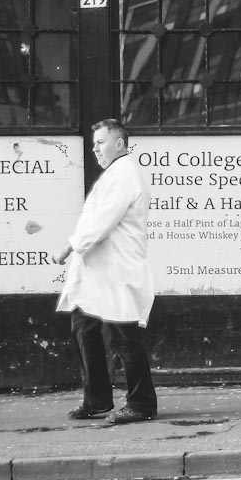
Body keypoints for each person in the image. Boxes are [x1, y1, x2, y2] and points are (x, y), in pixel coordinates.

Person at [53, 118, 157, 424]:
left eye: (100, 142)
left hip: (116, 269)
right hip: (99, 271)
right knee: (84, 329)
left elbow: (103, 221)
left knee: (124, 336)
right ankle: (97, 400)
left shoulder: (124, 174)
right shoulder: (115, 174)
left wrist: (70, 246)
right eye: (94, 142)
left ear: (120, 143)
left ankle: (141, 403)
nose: (95, 148)